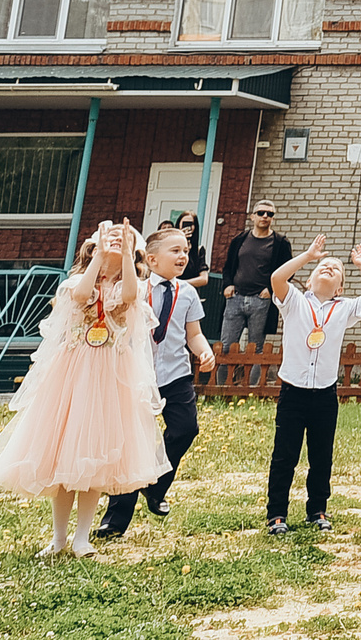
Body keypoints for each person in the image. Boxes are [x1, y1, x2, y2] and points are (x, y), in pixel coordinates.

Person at [0, 221, 171, 558]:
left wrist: (125, 255)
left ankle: (82, 537)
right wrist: (100, 256)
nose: (115, 239)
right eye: (108, 235)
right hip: (73, 370)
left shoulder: (135, 284)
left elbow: (127, 297)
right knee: (62, 455)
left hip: (110, 373)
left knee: (95, 457)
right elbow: (82, 296)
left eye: (123, 238)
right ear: (93, 244)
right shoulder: (76, 281)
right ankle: (58, 538)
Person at [96, 227, 216, 540]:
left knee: (186, 429)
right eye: (175, 251)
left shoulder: (187, 293)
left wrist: (204, 351)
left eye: (186, 251)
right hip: (137, 376)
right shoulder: (134, 289)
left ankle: (156, 485)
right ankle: (114, 520)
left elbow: (193, 333)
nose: (183, 256)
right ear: (151, 259)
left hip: (175, 375)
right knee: (130, 444)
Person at [261, 237, 361, 535]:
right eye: (322, 267)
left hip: (325, 393)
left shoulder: (344, 308)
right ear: (309, 280)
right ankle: (276, 513)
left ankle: (317, 509)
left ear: (340, 288)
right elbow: (277, 277)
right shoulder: (294, 301)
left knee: (321, 456)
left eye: (336, 269)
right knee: (285, 455)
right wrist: (308, 255)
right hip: (293, 391)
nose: (328, 267)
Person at [218, 202, 292, 352]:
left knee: (256, 349)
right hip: (235, 297)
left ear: (273, 219)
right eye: (261, 213)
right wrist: (227, 285)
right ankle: (223, 377)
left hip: (261, 300)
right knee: (226, 347)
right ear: (252, 217)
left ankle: (251, 377)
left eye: (269, 214)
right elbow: (228, 267)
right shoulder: (239, 240)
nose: (265, 216)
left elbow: (288, 271)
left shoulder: (280, 243)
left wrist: (271, 291)